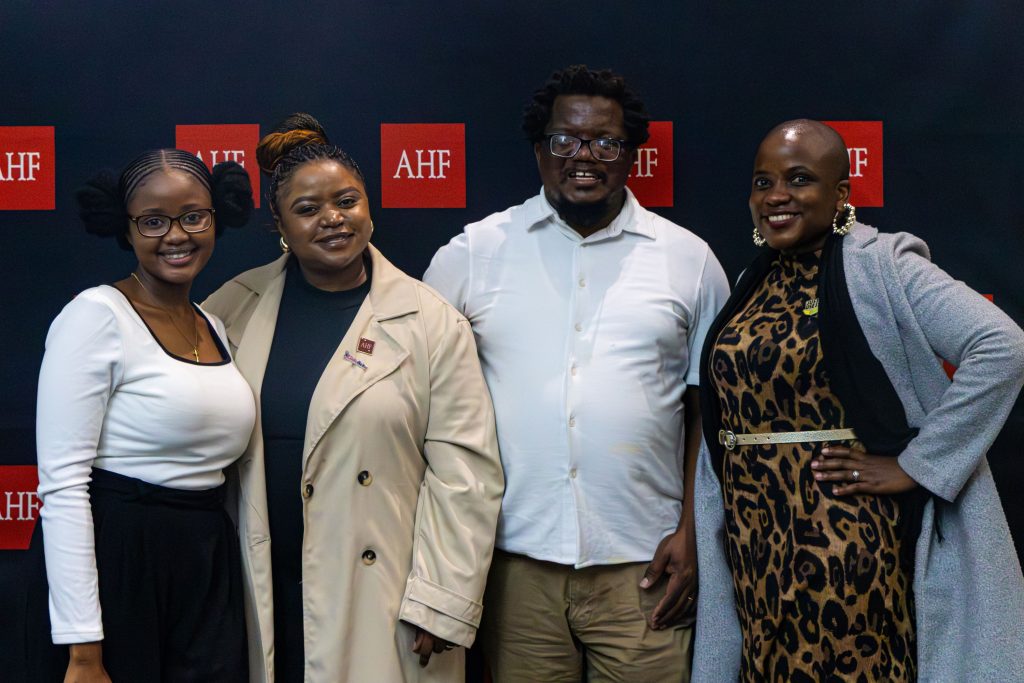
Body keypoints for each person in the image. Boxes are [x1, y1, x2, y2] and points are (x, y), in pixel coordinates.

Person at [424, 65, 729, 682]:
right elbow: (422, 399)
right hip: (514, 565)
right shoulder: (474, 253)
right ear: (539, 150)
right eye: (565, 140)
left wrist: (695, 533)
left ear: (632, 155)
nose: (584, 156)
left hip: (646, 568)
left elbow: (712, 413)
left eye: (606, 142)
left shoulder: (689, 260)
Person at [691, 119, 1024, 682]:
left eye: (799, 179)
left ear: (840, 193)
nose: (776, 196)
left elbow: (1002, 347)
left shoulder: (883, 265)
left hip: (845, 542)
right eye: (763, 182)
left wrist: (918, 466)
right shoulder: (753, 280)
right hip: (755, 541)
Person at [202, 112, 503, 683]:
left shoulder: (430, 320)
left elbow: (466, 473)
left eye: (347, 201)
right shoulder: (233, 305)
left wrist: (442, 598)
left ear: (369, 207)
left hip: (383, 590)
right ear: (280, 224)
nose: (333, 219)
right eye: (308, 209)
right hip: (260, 583)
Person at [34, 149, 256, 682]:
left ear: (217, 217)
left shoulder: (213, 325)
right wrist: (83, 651)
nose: (176, 235)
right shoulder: (96, 315)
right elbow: (64, 485)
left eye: (193, 216)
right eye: (153, 221)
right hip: (121, 563)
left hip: (206, 563)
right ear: (126, 228)